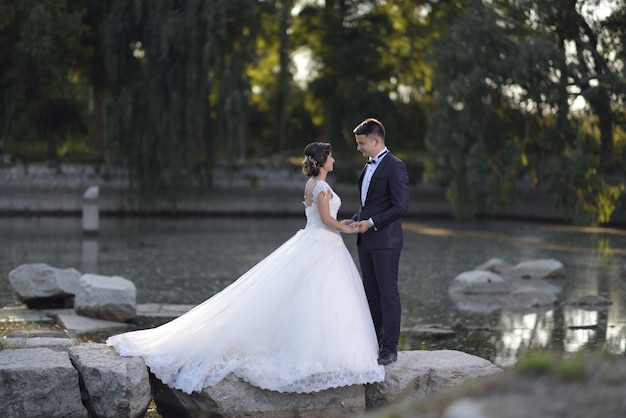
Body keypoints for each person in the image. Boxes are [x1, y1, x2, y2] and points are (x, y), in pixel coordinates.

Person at [107, 142, 385, 394]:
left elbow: (321, 218)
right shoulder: (322, 187)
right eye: (331, 156)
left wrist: (343, 223)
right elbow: (326, 220)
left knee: (312, 297)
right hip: (323, 243)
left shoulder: (311, 184)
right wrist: (348, 227)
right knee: (320, 298)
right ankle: (322, 353)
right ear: (323, 160)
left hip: (316, 241)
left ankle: (321, 349)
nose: (334, 160)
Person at [343, 118, 409, 365]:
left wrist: (370, 222)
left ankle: (389, 348)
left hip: (386, 242)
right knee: (370, 294)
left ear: (376, 141)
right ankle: (373, 342)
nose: (359, 148)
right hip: (366, 241)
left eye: (361, 143)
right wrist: (354, 220)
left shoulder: (395, 167)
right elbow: (369, 205)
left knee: (388, 294)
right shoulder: (368, 166)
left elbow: (401, 207)